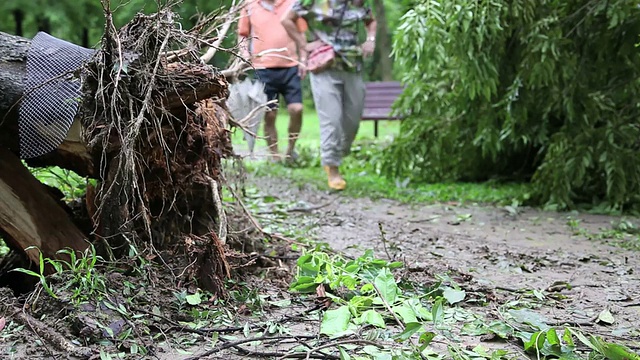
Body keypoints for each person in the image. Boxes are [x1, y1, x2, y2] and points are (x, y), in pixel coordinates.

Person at [281, 0, 376, 190]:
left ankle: (337, 152)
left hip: (353, 66)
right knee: (331, 120)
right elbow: (287, 20)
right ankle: (332, 167)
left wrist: (370, 40)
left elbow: (370, 21)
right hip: (324, 67)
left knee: (353, 120)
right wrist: (303, 44)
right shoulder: (312, 2)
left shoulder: (357, 2)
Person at [237, 0, 308, 162]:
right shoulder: (249, 5)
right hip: (263, 68)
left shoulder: (292, 3)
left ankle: (290, 150)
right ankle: (274, 155)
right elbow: (242, 35)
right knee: (270, 114)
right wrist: (245, 55)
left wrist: (304, 58)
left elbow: (301, 33)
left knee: (297, 109)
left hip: (290, 66)